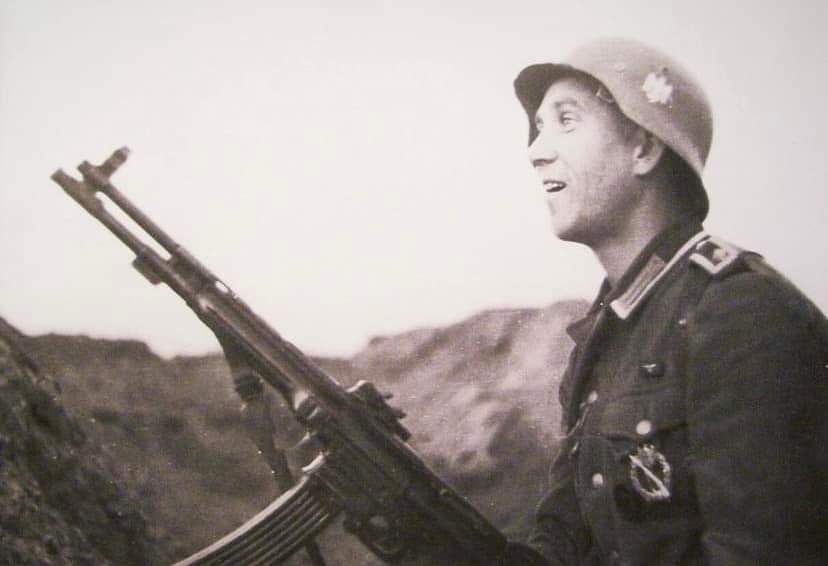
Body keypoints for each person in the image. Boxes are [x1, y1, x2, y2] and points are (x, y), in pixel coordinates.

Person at [513, 38, 828, 565]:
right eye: (539, 127)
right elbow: (565, 541)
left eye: (566, 120)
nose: (535, 151)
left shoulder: (740, 312)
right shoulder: (607, 334)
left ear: (644, 148)